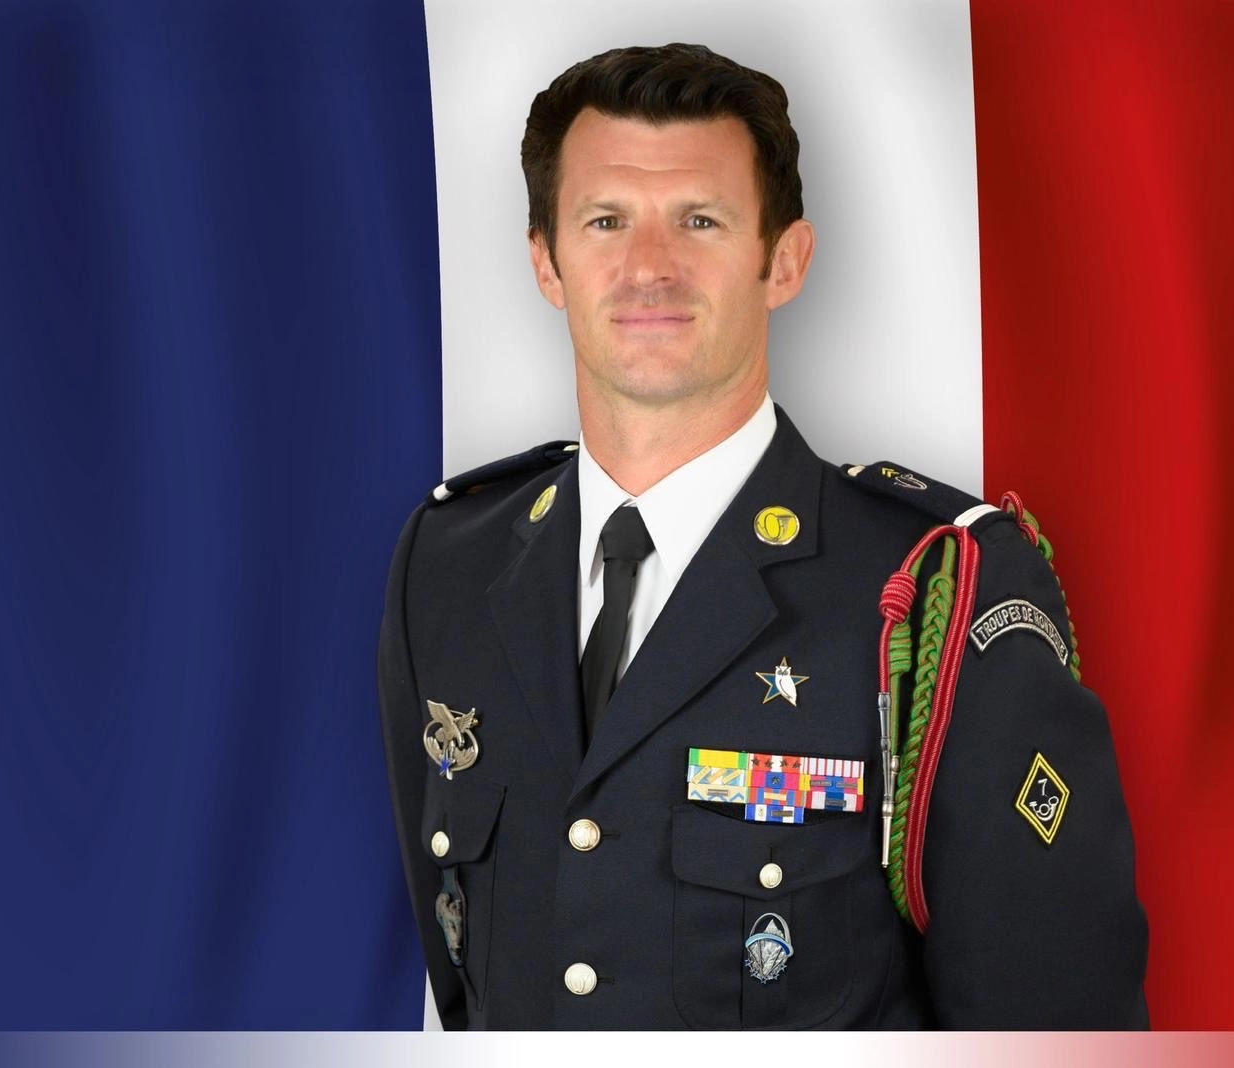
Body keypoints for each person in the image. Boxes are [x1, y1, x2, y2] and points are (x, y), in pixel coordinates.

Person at [377, 42, 1148, 1029]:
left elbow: (1055, 1024)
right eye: (606, 221)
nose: (648, 267)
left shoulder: (936, 590)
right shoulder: (450, 564)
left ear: (782, 261)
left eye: (699, 220)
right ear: (546, 261)